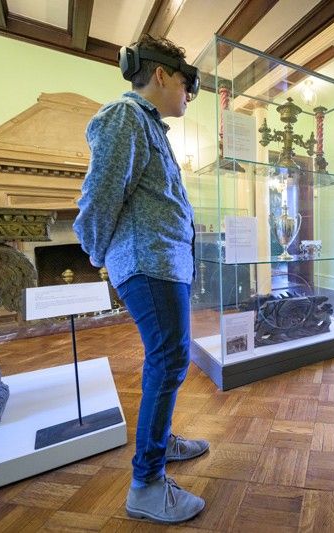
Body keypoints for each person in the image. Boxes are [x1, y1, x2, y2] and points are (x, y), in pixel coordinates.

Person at [73, 34, 208, 524]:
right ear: (161, 74)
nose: (188, 94)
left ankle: (160, 439)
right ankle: (146, 484)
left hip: (162, 263)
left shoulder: (149, 126)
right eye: (187, 83)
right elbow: (99, 197)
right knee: (169, 358)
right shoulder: (124, 117)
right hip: (148, 263)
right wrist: (97, 251)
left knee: (168, 360)